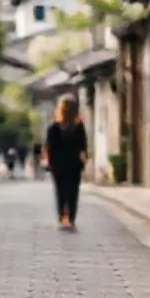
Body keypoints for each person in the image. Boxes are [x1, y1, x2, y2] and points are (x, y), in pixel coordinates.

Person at [43, 94, 88, 230]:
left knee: (61, 191)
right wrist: (83, 161)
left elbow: (49, 147)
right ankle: (71, 217)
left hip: (58, 164)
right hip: (74, 164)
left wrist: (50, 163)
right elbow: (83, 146)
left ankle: (62, 216)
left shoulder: (54, 127)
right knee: (73, 192)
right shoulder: (79, 127)